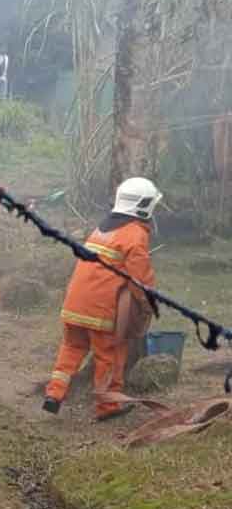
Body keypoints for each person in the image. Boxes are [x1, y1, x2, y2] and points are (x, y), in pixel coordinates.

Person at [43, 176, 162, 422]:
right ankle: (108, 407)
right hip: (101, 312)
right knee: (109, 356)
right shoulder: (134, 234)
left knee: (71, 349)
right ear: (143, 205)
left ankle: (54, 394)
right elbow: (139, 278)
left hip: (74, 306)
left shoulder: (102, 229)